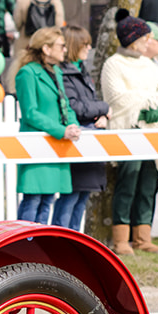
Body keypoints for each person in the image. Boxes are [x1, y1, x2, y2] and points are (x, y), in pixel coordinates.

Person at [100, 14, 158, 255]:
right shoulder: (114, 64)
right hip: (129, 130)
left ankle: (143, 236)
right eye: (145, 38)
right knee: (128, 181)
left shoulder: (149, 64)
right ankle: (122, 238)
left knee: (148, 182)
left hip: (153, 131)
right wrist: (148, 102)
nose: (148, 42)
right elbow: (118, 98)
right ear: (133, 39)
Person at [13, 26, 81, 223]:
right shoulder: (27, 73)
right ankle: (23, 247)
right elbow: (30, 112)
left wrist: (73, 124)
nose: (65, 50)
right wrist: (62, 130)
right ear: (46, 49)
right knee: (33, 199)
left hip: (56, 144)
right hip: (37, 144)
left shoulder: (56, 72)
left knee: (48, 200)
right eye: (61, 46)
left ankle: (38, 249)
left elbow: (65, 105)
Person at [54, 24, 109, 232]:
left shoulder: (81, 71)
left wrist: (101, 115)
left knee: (82, 197)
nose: (89, 48)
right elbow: (75, 106)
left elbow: (88, 104)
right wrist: (104, 107)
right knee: (71, 197)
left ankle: (74, 240)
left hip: (89, 140)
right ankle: (61, 240)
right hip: (76, 141)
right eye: (84, 44)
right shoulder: (65, 74)